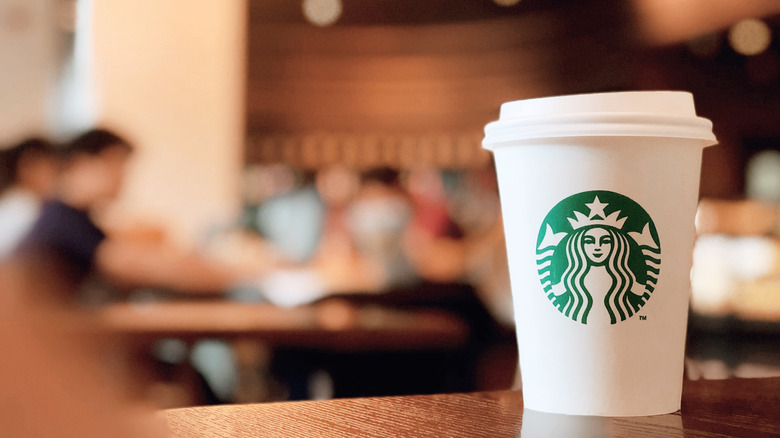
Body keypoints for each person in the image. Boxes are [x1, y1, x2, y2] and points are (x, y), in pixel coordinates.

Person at [15, 128, 262, 302]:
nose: (123, 178)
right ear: (82, 163)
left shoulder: (71, 216)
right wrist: (248, 273)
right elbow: (140, 266)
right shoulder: (63, 219)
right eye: (116, 165)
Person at [0, 137, 59, 258]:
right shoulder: (23, 207)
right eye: (52, 166)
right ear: (28, 166)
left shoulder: (22, 202)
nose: (56, 176)